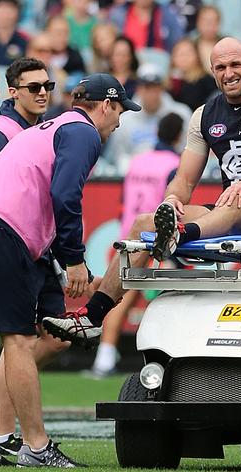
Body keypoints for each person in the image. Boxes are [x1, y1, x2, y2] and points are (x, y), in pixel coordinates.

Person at [42, 37, 241, 347]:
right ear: (212, 71)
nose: (229, 73)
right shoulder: (204, 115)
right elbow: (184, 181)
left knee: (237, 204)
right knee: (145, 223)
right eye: (221, 67)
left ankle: (178, 236)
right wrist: (172, 199)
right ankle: (93, 315)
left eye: (236, 64)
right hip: (228, 211)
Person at [0, 73, 140, 467]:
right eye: (119, 111)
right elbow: (64, 194)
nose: (118, 122)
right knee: (18, 340)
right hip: (2, 228)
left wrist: (69, 261)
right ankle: (36, 448)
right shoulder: (83, 132)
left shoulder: (51, 125)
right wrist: (73, 259)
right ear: (105, 105)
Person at [0, 57, 71, 456]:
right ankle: (0, 430)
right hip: (10, 240)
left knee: (51, 336)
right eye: (33, 88)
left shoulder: (35, 129)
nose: (43, 93)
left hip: (35, 243)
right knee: (15, 337)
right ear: (12, 92)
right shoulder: (2, 133)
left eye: (47, 86)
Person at [91, 112, 184, 377]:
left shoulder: (137, 162)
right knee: (168, 300)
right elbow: (173, 205)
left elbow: (123, 201)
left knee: (120, 298)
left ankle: (105, 357)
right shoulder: (174, 165)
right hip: (155, 237)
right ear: (178, 136)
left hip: (130, 235)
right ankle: (169, 361)